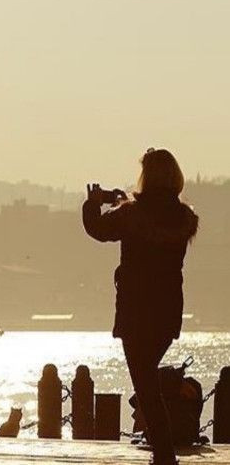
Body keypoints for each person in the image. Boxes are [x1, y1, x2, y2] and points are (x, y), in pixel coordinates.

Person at [82, 148, 198, 465]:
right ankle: (164, 451)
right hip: (167, 310)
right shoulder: (184, 219)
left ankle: (164, 453)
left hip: (136, 310)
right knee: (147, 380)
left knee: (144, 382)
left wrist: (93, 204)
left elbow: (98, 230)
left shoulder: (132, 215)